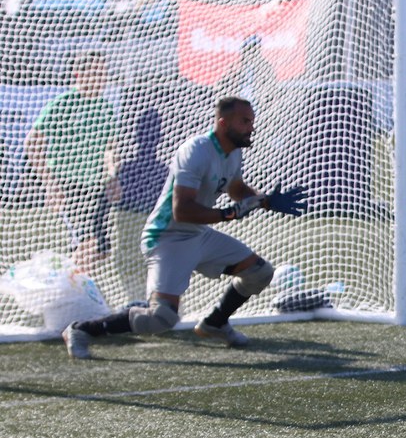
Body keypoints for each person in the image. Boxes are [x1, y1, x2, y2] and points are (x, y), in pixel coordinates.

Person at [60, 96, 308, 360]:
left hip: (198, 234)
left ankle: (215, 322)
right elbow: (183, 210)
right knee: (162, 317)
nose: (251, 127)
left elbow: (235, 188)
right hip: (168, 237)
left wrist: (265, 200)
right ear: (224, 124)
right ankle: (81, 330)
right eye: (245, 121)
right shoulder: (196, 150)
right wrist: (228, 214)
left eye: (252, 121)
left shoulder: (233, 152)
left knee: (260, 272)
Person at [26, 50, 120, 270]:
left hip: (96, 187)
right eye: (96, 72)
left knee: (101, 250)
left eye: (104, 72)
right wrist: (50, 184)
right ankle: (73, 293)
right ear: (79, 74)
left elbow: (110, 149)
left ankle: (66, 279)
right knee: (87, 244)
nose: (102, 77)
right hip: (69, 185)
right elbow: (32, 143)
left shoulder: (105, 107)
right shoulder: (63, 104)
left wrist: (113, 178)